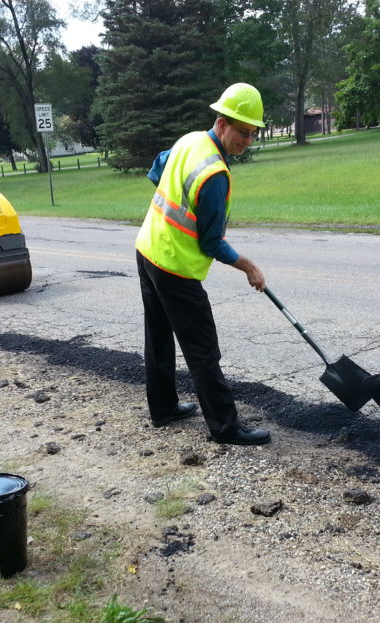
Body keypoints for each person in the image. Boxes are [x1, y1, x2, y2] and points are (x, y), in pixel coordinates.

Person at [135, 83, 271, 446]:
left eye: (253, 133)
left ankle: (163, 408)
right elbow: (212, 243)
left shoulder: (190, 140)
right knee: (203, 349)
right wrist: (250, 267)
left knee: (159, 337)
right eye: (243, 132)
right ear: (222, 122)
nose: (248, 141)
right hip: (174, 267)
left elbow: (157, 170)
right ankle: (226, 428)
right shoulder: (214, 176)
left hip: (147, 251)